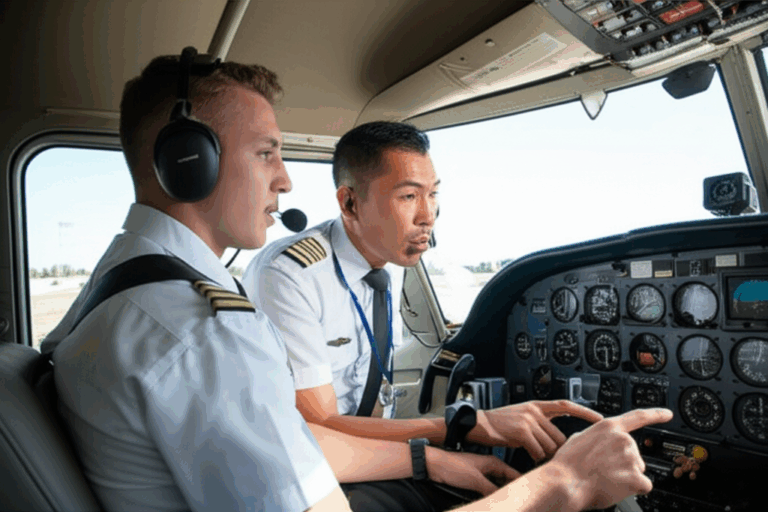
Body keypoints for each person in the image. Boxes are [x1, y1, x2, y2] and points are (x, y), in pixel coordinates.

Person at [46, 52, 673, 512]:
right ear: (186, 160)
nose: (285, 180)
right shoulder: (198, 334)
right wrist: (561, 485)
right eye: (265, 152)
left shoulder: (122, 291)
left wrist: (441, 447)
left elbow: (294, 439)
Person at [240, 121, 671, 510]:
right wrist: (465, 426)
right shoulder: (292, 274)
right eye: (409, 195)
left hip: (382, 460)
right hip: (322, 477)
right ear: (350, 203)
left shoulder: (385, 263)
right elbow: (318, 426)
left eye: (433, 194)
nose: (428, 215)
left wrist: (439, 451)